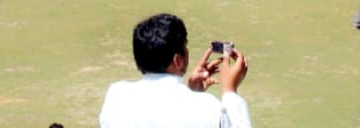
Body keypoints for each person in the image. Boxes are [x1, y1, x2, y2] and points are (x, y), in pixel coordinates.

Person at [98, 12, 249, 128]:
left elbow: (161, 112)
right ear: (177, 60)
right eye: (185, 46)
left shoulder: (116, 96)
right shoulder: (209, 108)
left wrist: (189, 91)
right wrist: (230, 91)